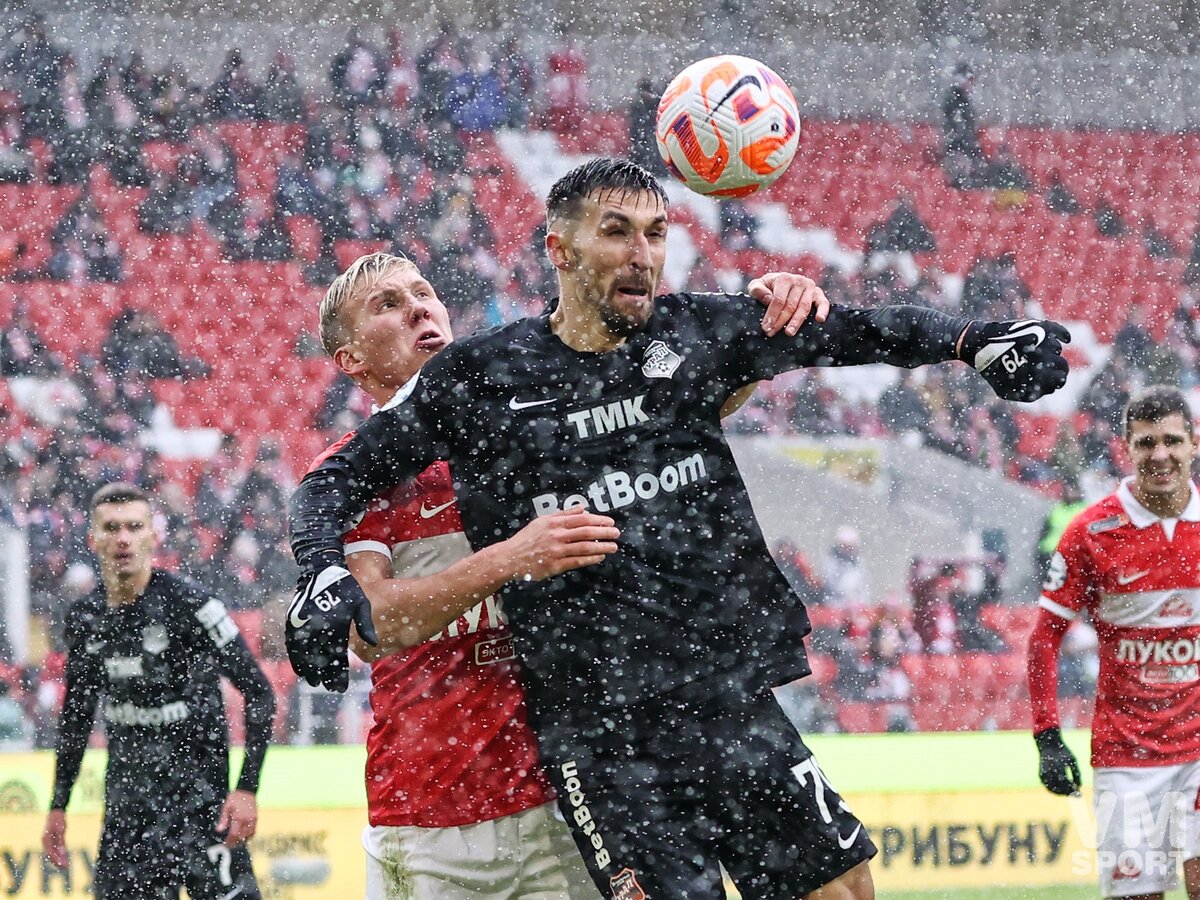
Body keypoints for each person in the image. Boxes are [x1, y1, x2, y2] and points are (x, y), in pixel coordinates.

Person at [288, 158, 1070, 898]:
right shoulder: (481, 380)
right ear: (559, 248)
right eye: (618, 231)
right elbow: (334, 481)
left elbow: (855, 332)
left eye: (657, 233)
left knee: (846, 887)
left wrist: (975, 342)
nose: (642, 254)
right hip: (597, 743)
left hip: (725, 700)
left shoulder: (692, 335)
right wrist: (322, 570)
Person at [316, 251, 820, 897]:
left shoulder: (528, 424)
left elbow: (687, 399)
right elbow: (369, 629)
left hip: (576, 794)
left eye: (423, 292)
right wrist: (508, 558)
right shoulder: (356, 477)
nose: (418, 306)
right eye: (386, 305)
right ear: (351, 361)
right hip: (433, 817)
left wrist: (766, 318)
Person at [42, 482, 275, 899]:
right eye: (111, 528)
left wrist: (246, 790)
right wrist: (58, 805)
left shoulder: (193, 607)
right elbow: (76, 718)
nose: (123, 538)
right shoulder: (86, 617)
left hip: (204, 813)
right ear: (92, 539)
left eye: (134, 526)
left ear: (153, 535)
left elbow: (259, 692)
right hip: (128, 822)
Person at [1030, 385, 1200, 899]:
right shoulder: (1091, 532)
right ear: (1126, 446)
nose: (1161, 455)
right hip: (1126, 755)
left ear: (1194, 443)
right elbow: (1044, 640)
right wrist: (1046, 736)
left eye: (1172, 440)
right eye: (1147, 443)